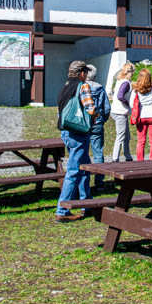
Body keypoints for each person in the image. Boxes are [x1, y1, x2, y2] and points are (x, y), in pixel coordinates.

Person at [55, 60, 96, 222]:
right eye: (85, 72)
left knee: (84, 168)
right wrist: (97, 115)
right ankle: (62, 210)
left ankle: (87, 203)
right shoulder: (82, 86)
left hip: (66, 131)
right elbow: (90, 108)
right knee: (73, 171)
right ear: (81, 73)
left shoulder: (64, 87)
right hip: (78, 132)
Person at [86, 65, 111, 191]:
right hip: (97, 121)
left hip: (83, 123)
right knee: (98, 152)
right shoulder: (100, 88)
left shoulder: (80, 87)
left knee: (83, 152)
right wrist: (102, 119)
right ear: (94, 76)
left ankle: (84, 180)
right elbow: (106, 107)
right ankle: (99, 181)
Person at [132, 68, 152, 160]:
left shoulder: (137, 89)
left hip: (142, 115)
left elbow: (132, 103)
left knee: (141, 140)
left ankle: (140, 160)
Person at [109, 62, 135, 162]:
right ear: (130, 72)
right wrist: (128, 103)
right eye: (133, 71)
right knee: (120, 135)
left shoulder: (120, 80)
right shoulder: (125, 83)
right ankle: (115, 158)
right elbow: (120, 96)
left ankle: (128, 155)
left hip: (118, 111)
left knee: (126, 135)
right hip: (120, 112)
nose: (133, 73)